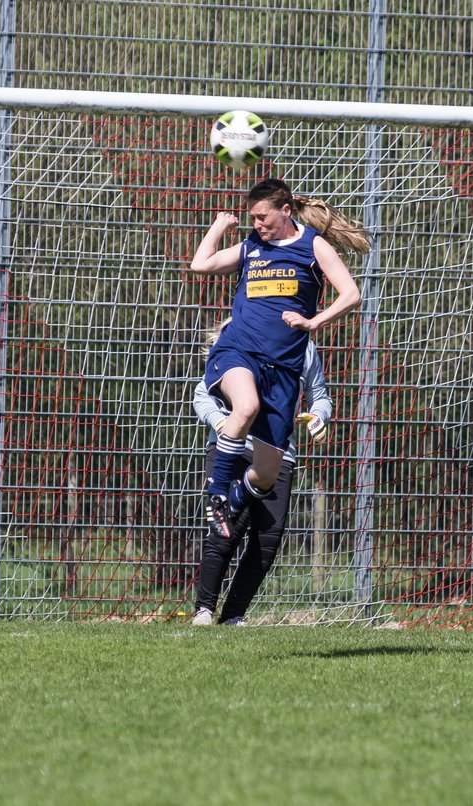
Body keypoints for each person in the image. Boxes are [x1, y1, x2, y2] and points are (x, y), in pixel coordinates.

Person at [190, 177, 368, 548]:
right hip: (238, 351)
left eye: (262, 217)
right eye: (252, 218)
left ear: (286, 211)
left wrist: (312, 322)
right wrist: (219, 227)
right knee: (246, 406)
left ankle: (235, 498)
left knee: (267, 475)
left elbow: (351, 294)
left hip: (283, 369)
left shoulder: (312, 246)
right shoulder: (252, 245)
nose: (256, 225)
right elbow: (200, 264)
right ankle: (218, 496)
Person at [191, 334, 332, 626]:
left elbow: (320, 395)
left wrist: (318, 415)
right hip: (232, 449)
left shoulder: (304, 347)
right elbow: (202, 394)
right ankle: (204, 610)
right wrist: (222, 424)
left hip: (279, 454)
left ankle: (233, 615)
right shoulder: (237, 334)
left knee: (268, 539)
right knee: (225, 529)